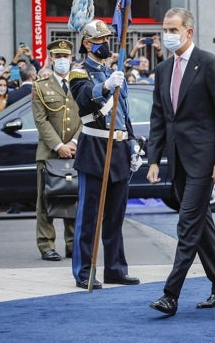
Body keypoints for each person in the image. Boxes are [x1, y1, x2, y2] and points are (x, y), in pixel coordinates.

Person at [147, 7, 215, 316]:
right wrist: (154, 160)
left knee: (187, 224)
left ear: (189, 32)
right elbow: (159, 117)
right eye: (165, 29)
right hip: (177, 159)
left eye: (174, 30)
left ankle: (170, 294)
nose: (168, 35)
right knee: (201, 226)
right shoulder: (162, 70)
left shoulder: (209, 64)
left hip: (204, 159)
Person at [68, 19, 140, 290]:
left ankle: (115, 268)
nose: (105, 45)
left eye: (107, 39)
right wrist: (106, 86)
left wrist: (132, 145)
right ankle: (84, 271)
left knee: (115, 215)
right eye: (100, 40)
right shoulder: (79, 72)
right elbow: (85, 98)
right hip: (96, 148)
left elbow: (124, 115)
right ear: (87, 43)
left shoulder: (115, 72)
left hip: (119, 148)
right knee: (89, 216)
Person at [31, 39, 81, 261]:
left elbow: (87, 117)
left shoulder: (81, 84)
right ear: (51, 59)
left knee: (73, 197)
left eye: (65, 57)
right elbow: (41, 121)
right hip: (50, 152)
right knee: (46, 199)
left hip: (75, 151)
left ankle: (72, 244)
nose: (62, 61)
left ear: (72, 58)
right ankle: (46, 244)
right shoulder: (40, 86)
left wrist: (74, 143)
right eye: (57, 57)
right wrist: (59, 146)